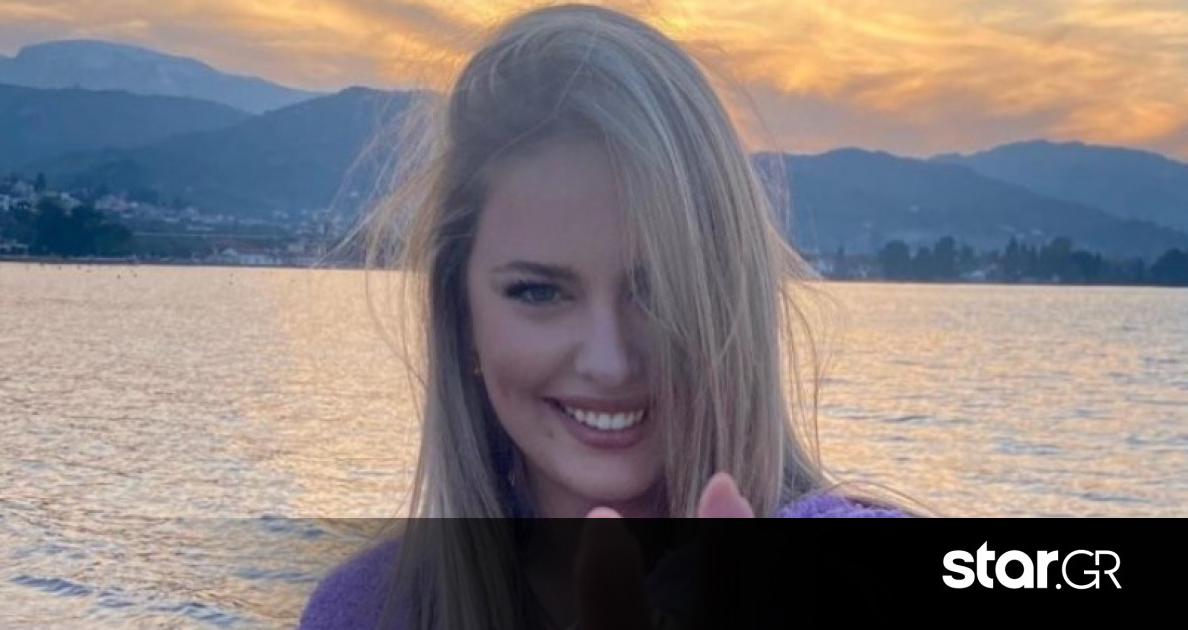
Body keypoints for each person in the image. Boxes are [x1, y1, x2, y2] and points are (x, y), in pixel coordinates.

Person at [301, 4, 914, 630]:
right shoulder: (366, 611)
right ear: (462, 320)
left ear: (730, 304)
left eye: (660, 290)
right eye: (539, 292)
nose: (609, 360)